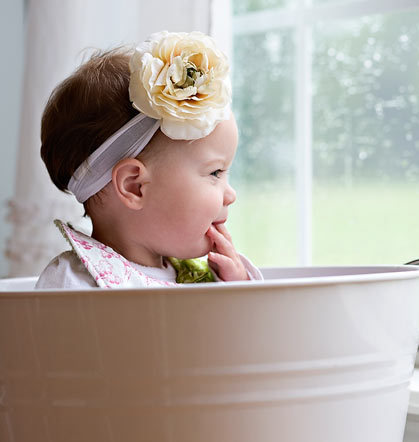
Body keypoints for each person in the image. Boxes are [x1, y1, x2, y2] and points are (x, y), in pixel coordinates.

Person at [35, 31, 261, 288]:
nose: (230, 194)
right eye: (215, 173)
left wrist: (238, 284)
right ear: (135, 186)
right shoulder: (73, 283)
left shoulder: (204, 274)